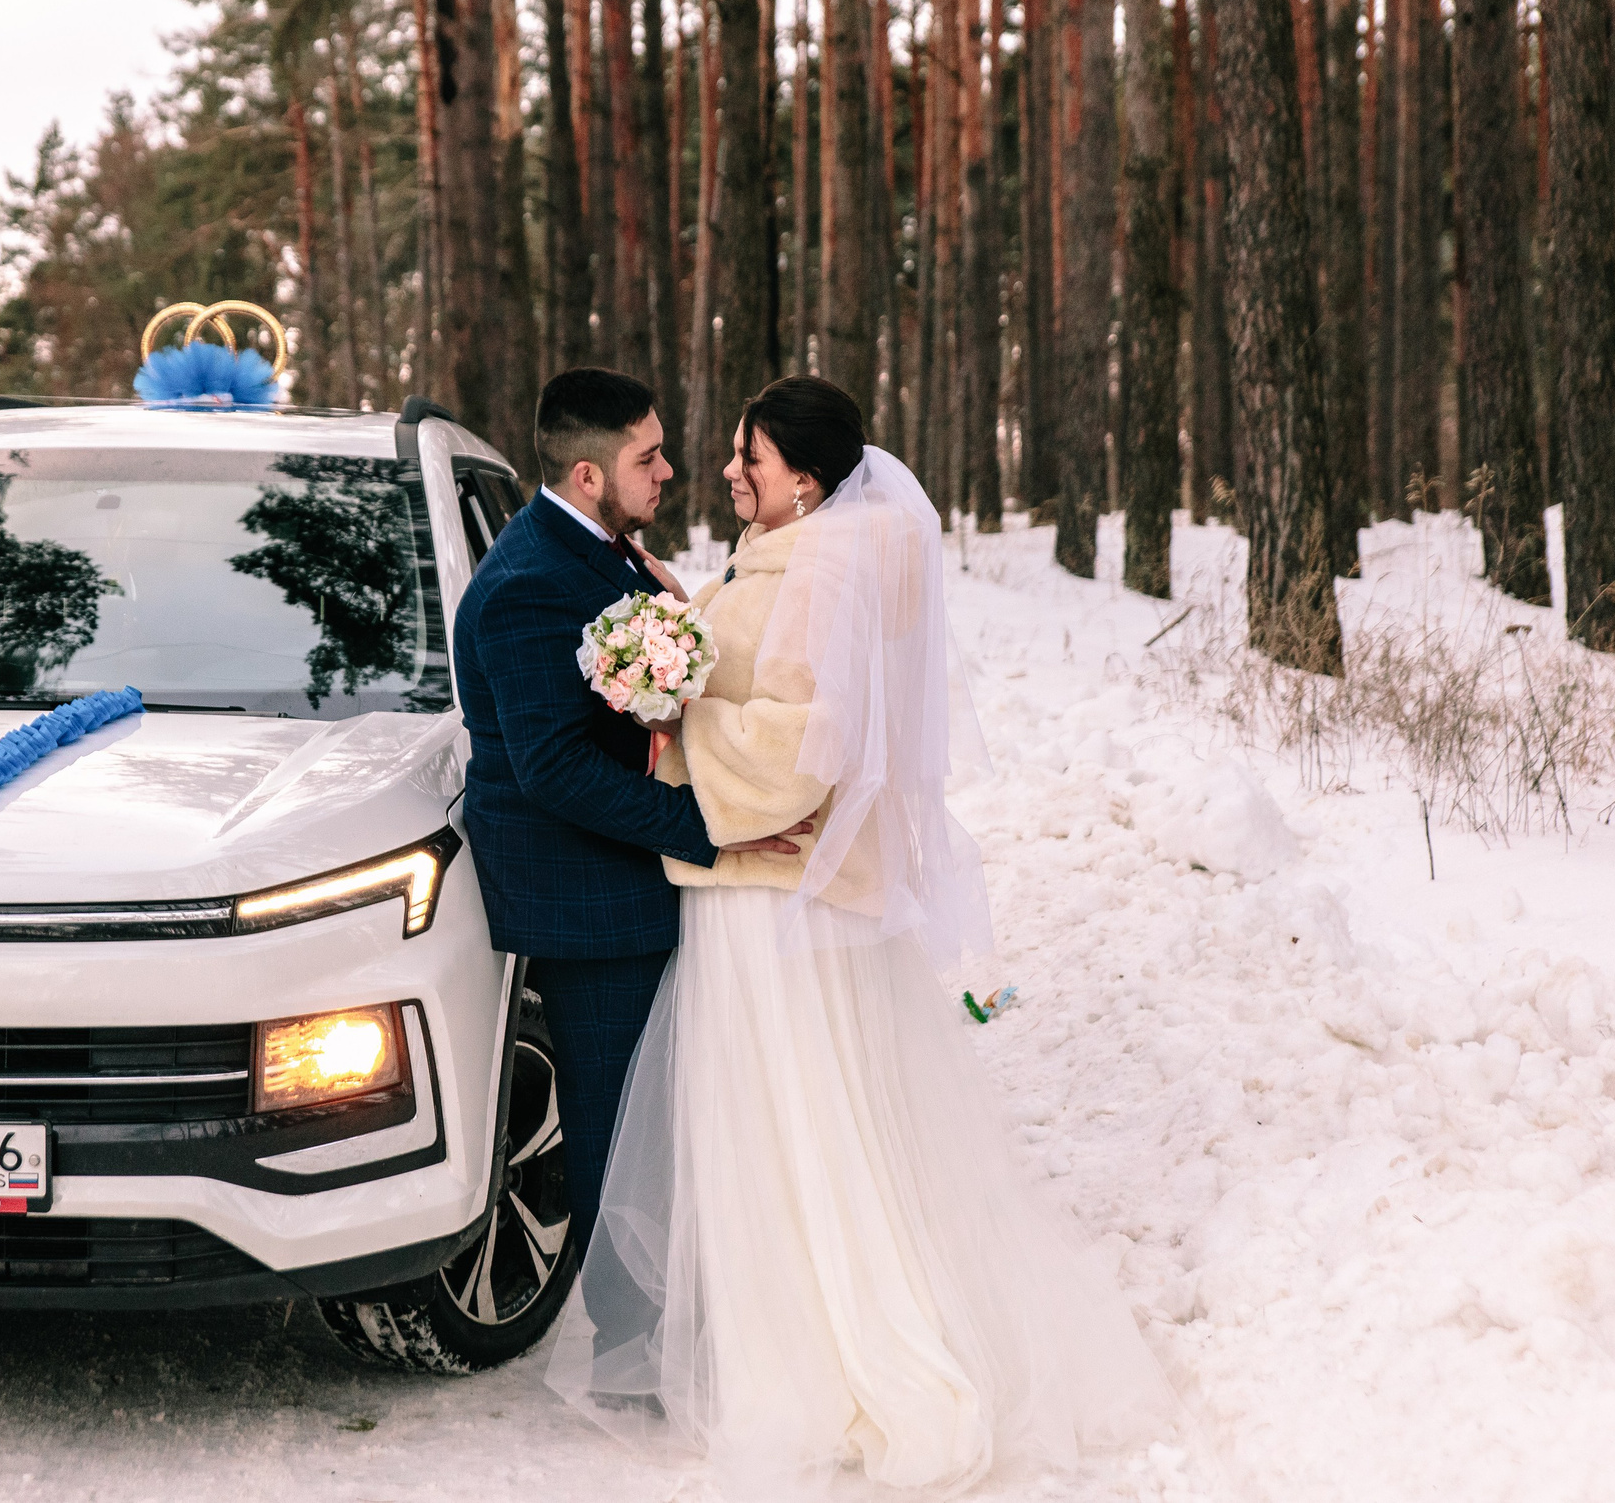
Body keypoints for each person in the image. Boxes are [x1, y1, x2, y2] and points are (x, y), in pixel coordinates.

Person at [545, 376, 1177, 1494]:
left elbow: (810, 740)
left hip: (763, 896)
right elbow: (770, 670)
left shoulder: (823, 565)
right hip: (754, 894)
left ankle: (825, 1361)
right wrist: (682, 622)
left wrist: (672, 703)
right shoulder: (785, 557)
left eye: (750, 456)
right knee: (781, 1123)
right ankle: (782, 1341)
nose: (729, 470)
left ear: (805, 479)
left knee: (792, 1124)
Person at [451, 367, 807, 1260]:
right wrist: (715, 830)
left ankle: (669, 1322)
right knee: (620, 1138)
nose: (669, 473)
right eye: (648, 458)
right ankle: (627, 1354)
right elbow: (555, 771)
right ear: (588, 476)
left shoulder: (596, 548)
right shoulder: (528, 582)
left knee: (666, 1124)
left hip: (626, 877)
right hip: (589, 905)